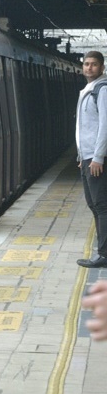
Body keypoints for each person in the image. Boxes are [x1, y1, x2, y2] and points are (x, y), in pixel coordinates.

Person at [77, 50, 107, 268]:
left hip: (96, 159)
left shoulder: (102, 90)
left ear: (102, 68)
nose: (89, 68)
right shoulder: (88, 90)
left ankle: (104, 254)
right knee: (94, 205)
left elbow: (105, 126)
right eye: (86, 64)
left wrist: (98, 157)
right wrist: (82, 156)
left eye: (94, 64)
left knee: (101, 205)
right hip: (86, 158)